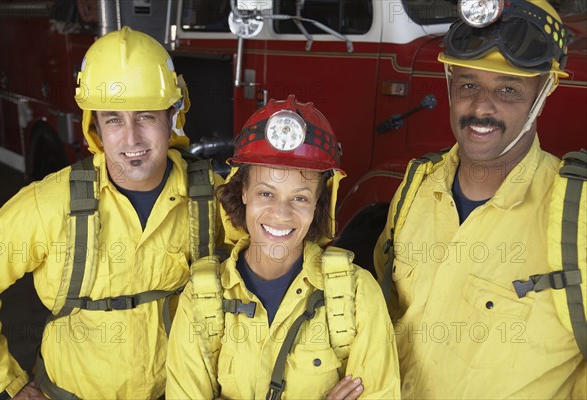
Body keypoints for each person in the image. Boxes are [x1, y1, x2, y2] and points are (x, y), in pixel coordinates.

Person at [0, 26, 223, 399]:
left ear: (172, 117)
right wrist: (6, 383)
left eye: (145, 116)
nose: (131, 139)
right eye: (114, 119)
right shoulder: (50, 204)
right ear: (94, 126)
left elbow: (286, 268)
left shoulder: (213, 198)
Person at [374, 0, 586, 398]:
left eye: (508, 88)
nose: (480, 107)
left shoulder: (577, 213)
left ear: (547, 90)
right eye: (468, 84)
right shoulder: (416, 187)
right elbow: (383, 313)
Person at [166, 95, 400, 399]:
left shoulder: (356, 295)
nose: (281, 213)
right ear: (244, 191)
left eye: (300, 197)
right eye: (266, 193)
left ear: (318, 204)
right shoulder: (201, 298)